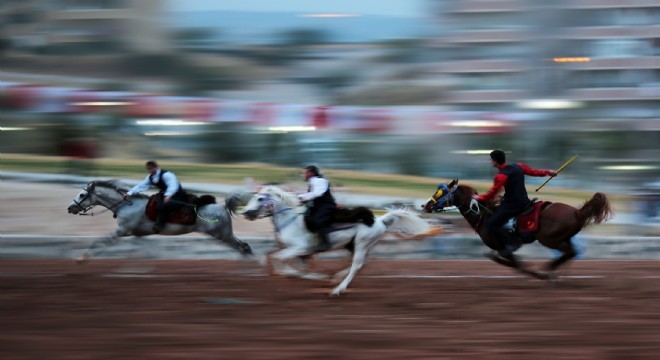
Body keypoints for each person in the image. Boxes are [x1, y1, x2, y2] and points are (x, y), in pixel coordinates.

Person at [474, 150, 557, 254]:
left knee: (490, 224)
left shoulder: (501, 176)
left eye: (491, 160)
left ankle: (512, 243)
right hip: (524, 201)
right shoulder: (519, 166)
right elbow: (533, 172)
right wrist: (548, 172)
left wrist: (478, 197)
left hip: (512, 206)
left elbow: (491, 194)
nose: (491, 162)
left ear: (495, 162)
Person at [124, 160, 188, 233]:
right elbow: (141, 186)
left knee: (162, 206)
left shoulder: (167, 174)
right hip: (166, 195)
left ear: (157, 167)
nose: (150, 170)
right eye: (149, 169)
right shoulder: (151, 177)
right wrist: (129, 193)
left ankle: (160, 226)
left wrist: (168, 195)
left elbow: (172, 186)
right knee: (152, 204)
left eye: (152, 168)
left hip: (178, 196)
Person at [298, 165, 337, 252]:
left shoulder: (320, 181)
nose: (303, 175)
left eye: (305, 173)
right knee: (306, 218)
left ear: (311, 173)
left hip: (327, 206)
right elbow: (313, 195)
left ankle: (326, 243)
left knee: (318, 220)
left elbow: (317, 194)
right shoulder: (313, 182)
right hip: (319, 206)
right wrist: (304, 199)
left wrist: (301, 197)